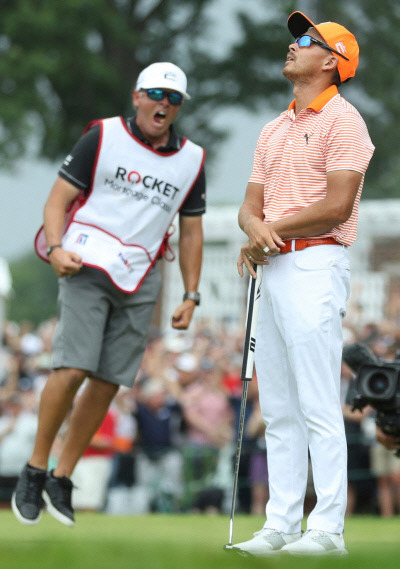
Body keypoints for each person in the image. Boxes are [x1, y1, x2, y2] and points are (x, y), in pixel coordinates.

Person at [12, 61, 206, 527]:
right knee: (74, 365)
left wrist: (191, 294)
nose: (164, 104)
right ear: (137, 96)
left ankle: (63, 474)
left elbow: (192, 231)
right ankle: (36, 468)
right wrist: (56, 248)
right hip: (85, 261)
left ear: (179, 108)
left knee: (109, 380)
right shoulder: (103, 136)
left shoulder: (192, 159)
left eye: (173, 98)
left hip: (142, 275)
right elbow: (57, 200)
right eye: (156, 94)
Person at [232, 11, 374, 556]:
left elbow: (337, 206)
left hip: (315, 263)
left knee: (317, 403)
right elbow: (250, 206)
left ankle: (328, 529)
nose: (293, 46)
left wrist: (267, 230)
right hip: (272, 265)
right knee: (281, 407)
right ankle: (281, 523)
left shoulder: (346, 121)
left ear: (333, 62)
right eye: (295, 38)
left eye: (306, 40)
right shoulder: (273, 127)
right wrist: (255, 230)